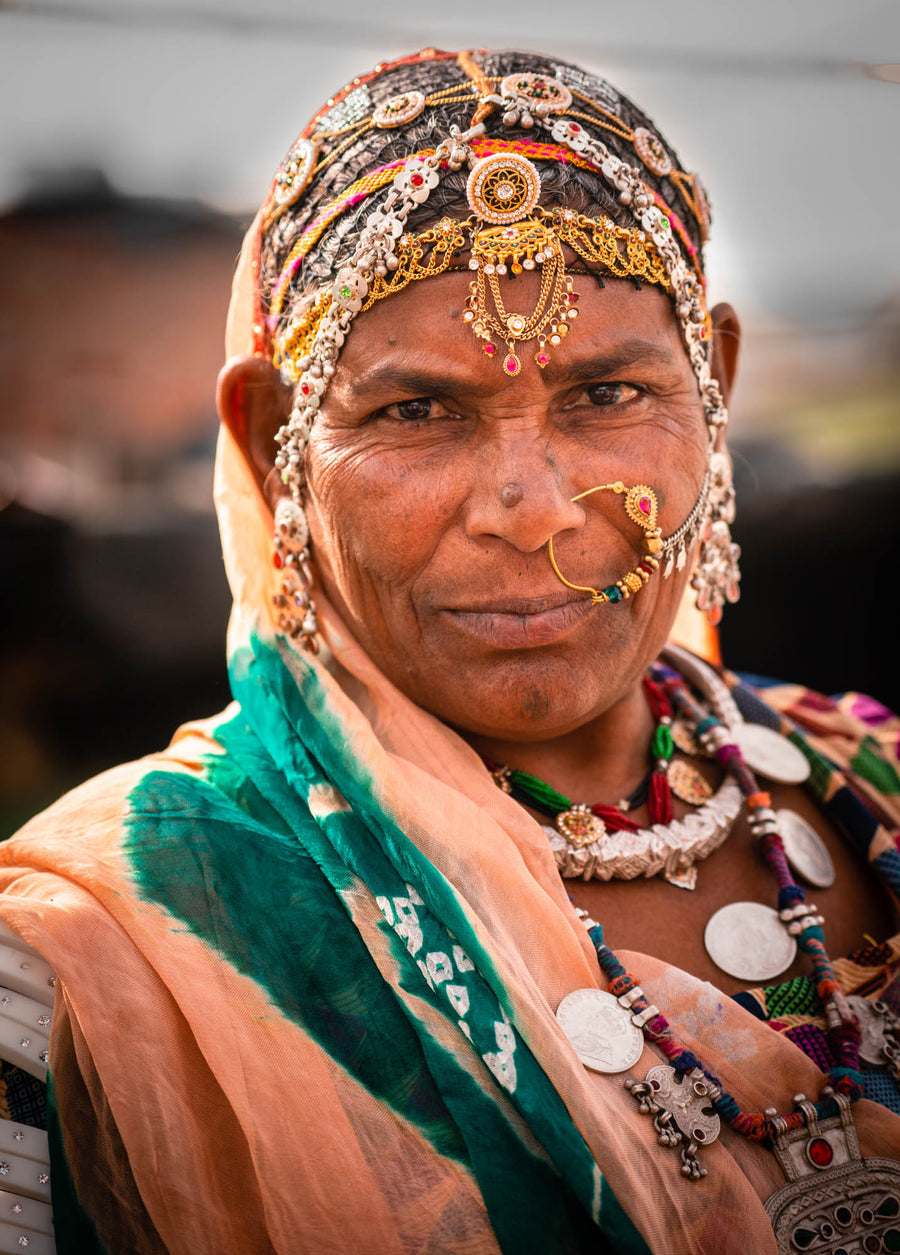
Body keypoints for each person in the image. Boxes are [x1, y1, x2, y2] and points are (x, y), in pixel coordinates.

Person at [1, 47, 898, 1255]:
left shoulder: (873, 784)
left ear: (717, 395)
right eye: (415, 411)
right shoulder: (83, 956)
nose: (528, 507)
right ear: (275, 446)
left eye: (610, 395)